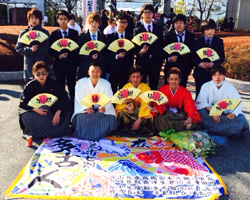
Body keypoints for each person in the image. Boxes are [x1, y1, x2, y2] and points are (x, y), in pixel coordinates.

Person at [19, 61, 71, 139]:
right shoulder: (30, 86)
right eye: (38, 74)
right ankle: (41, 132)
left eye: (43, 73)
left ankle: (47, 132)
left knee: (66, 113)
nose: (41, 76)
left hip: (53, 112)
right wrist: (35, 109)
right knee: (25, 115)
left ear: (47, 73)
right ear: (33, 74)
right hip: (37, 112)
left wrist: (58, 112)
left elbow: (65, 98)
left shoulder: (54, 84)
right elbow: (24, 103)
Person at [196, 64, 249, 137]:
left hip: (225, 114)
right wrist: (213, 112)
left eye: (220, 74)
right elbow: (202, 102)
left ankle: (212, 130)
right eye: (214, 75)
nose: (217, 77)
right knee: (201, 113)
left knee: (241, 119)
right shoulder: (206, 86)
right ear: (211, 76)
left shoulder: (230, 87)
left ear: (224, 75)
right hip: (210, 114)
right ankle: (227, 131)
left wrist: (233, 114)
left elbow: (237, 103)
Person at [72, 62, 118, 141]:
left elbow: (109, 99)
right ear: (88, 72)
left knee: (109, 118)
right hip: (86, 111)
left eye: (97, 71)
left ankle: (98, 133)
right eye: (92, 71)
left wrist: (103, 108)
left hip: (101, 110)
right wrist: (86, 108)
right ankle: (89, 133)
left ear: (101, 72)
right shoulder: (81, 83)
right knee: (81, 117)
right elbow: (79, 99)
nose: (95, 74)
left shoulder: (106, 84)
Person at [149, 67, 201, 132]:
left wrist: (190, 118)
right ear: (168, 80)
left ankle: (173, 126)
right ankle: (179, 127)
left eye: (176, 79)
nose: (173, 82)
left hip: (179, 114)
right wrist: (157, 110)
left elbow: (190, 106)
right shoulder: (162, 90)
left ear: (179, 80)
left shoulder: (185, 92)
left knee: (191, 122)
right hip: (166, 114)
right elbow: (159, 105)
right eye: (171, 79)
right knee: (159, 120)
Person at [50, 10, 78, 108]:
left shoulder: (74, 33)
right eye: (60, 19)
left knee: (72, 87)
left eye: (65, 19)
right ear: (57, 20)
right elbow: (51, 50)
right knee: (60, 87)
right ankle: (62, 107)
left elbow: (76, 49)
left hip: (71, 65)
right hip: (59, 65)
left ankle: (73, 107)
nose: (63, 21)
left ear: (68, 20)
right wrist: (59, 56)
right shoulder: (54, 34)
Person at [115, 66, 154, 136]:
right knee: (120, 113)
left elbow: (146, 104)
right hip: (130, 111)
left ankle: (140, 130)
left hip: (141, 113)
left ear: (141, 77)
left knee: (148, 116)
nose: (135, 79)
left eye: (137, 77)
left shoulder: (146, 88)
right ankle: (126, 129)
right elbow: (120, 101)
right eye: (133, 77)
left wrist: (139, 119)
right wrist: (126, 106)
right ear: (130, 78)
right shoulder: (126, 87)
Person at [193, 19, 225, 98]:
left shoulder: (219, 42)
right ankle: (199, 109)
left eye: (212, 29)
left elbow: (222, 57)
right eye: (207, 29)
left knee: (212, 95)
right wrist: (199, 64)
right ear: (203, 31)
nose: (210, 31)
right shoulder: (197, 42)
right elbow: (193, 57)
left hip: (213, 73)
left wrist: (213, 64)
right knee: (200, 94)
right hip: (200, 72)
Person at [134, 4, 163, 90]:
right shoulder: (137, 30)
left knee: (154, 85)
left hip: (155, 62)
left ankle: (152, 103)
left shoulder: (158, 29)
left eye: (149, 12)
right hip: (142, 62)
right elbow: (135, 47)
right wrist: (141, 52)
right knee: (140, 86)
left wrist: (160, 61)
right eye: (145, 12)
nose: (147, 14)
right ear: (142, 14)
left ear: (152, 14)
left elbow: (161, 45)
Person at [16, 8, 49, 82]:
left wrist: (37, 50)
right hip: (29, 65)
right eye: (32, 18)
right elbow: (18, 48)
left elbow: (47, 48)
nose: (34, 20)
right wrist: (30, 49)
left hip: (42, 64)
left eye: (36, 18)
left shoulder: (45, 33)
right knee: (29, 89)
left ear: (40, 19)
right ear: (29, 19)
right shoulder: (24, 32)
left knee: (43, 90)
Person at [164, 14, 195, 88]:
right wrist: (169, 58)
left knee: (182, 90)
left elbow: (192, 53)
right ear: (173, 24)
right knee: (169, 90)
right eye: (176, 23)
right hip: (171, 68)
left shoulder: (190, 36)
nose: (178, 25)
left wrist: (190, 67)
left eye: (181, 23)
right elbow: (164, 51)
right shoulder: (168, 36)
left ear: (184, 24)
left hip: (185, 68)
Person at [106, 13, 134, 93]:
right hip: (113, 68)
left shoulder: (130, 37)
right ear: (116, 22)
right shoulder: (110, 37)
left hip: (125, 69)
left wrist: (130, 69)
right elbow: (107, 54)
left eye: (124, 22)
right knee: (112, 90)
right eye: (120, 21)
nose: (122, 24)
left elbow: (131, 54)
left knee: (124, 92)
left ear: (127, 24)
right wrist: (116, 56)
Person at [77, 12, 106, 79]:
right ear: (88, 23)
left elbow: (105, 54)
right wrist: (90, 57)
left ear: (99, 23)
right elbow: (78, 53)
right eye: (92, 22)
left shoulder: (103, 37)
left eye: (96, 22)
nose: (94, 24)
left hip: (99, 69)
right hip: (85, 68)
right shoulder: (82, 36)